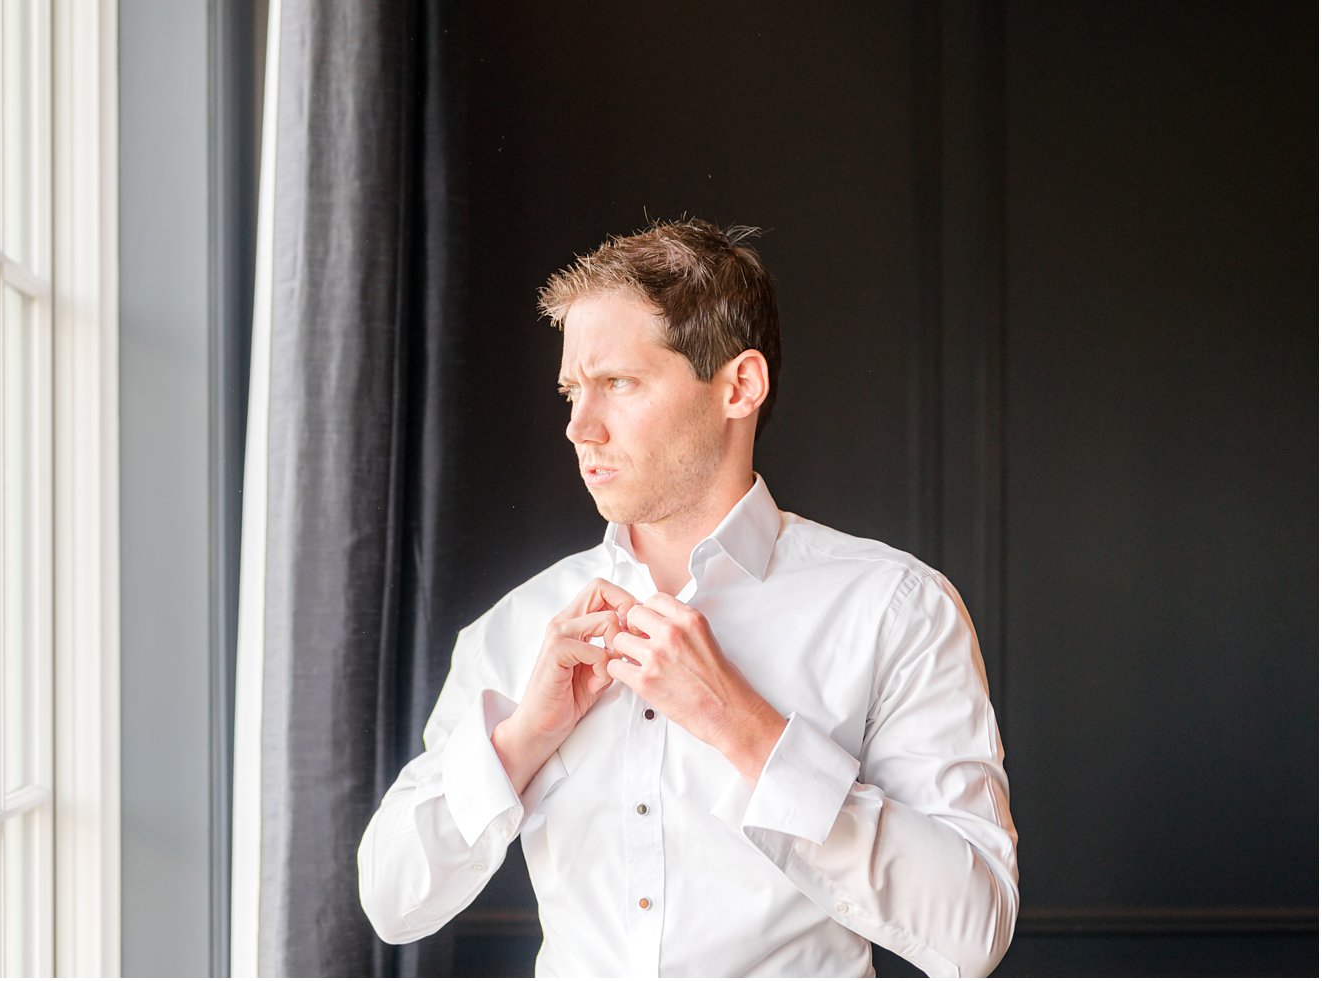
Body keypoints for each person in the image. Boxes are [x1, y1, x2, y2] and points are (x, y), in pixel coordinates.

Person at [357, 219, 1018, 977]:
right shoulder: (517, 628)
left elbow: (974, 928)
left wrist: (745, 729)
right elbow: (390, 897)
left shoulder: (897, 608)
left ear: (739, 386)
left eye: (619, 383)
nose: (579, 426)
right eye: (573, 389)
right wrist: (523, 738)